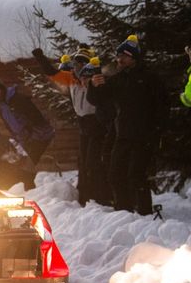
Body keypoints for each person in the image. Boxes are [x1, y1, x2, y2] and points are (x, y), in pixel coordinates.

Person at [87, 35, 168, 215]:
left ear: (134, 58)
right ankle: (124, 213)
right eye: (118, 56)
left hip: (144, 136)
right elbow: (96, 100)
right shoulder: (118, 79)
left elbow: (163, 107)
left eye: (124, 56)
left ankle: (145, 214)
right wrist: (93, 85)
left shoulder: (150, 78)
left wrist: (157, 132)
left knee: (136, 176)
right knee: (115, 175)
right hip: (123, 135)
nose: (119, 59)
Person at [31, 46, 110, 205]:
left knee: (94, 163)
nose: (79, 66)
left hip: (98, 124)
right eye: (77, 62)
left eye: (83, 62)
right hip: (83, 125)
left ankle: (101, 197)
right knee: (83, 162)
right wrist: (39, 57)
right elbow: (51, 72)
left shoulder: (96, 79)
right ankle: (85, 196)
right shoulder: (71, 78)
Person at [0, 77, 55, 166]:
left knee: (32, 164)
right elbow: (8, 125)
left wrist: (34, 136)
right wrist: (18, 138)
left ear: (2, 89)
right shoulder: (1, 107)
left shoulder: (17, 99)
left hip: (37, 137)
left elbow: (36, 117)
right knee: (27, 164)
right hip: (23, 139)